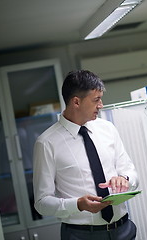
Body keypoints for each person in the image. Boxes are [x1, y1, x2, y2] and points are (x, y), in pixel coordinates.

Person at [33, 70, 138, 240]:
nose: (101, 105)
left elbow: (132, 173)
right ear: (76, 101)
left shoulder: (108, 129)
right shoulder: (46, 143)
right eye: (96, 100)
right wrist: (78, 205)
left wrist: (124, 179)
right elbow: (42, 203)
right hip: (81, 235)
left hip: (123, 230)